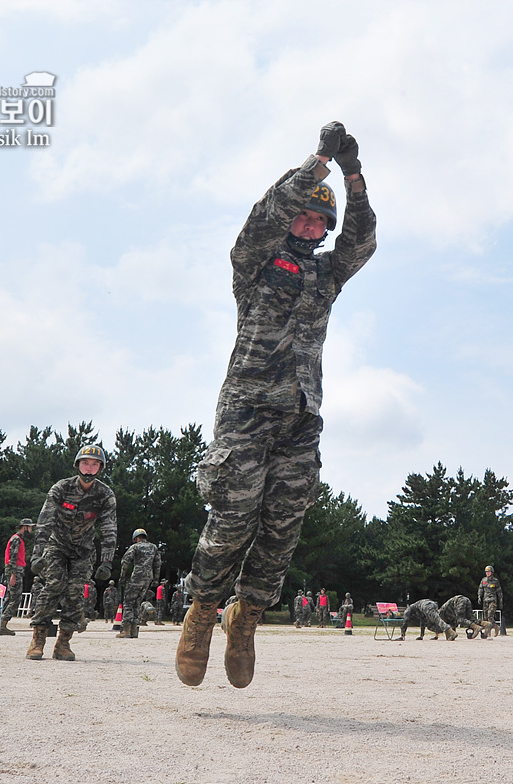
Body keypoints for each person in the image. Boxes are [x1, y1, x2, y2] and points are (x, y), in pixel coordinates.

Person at [176, 121, 376, 689]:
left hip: (301, 415)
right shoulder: (255, 261)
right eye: (305, 216)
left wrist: (354, 177)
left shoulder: (325, 273)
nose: (312, 225)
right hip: (247, 408)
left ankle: (246, 619)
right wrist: (318, 162)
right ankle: (201, 613)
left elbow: (360, 242)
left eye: (321, 219)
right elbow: (264, 214)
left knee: (281, 530)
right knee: (232, 520)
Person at [25, 444, 117, 662]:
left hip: (83, 550)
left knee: (75, 593)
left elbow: (109, 528)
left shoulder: (105, 495)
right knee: (54, 585)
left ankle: (63, 643)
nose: (89, 467)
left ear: (100, 468)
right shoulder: (61, 488)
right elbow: (45, 520)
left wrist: (107, 561)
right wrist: (37, 555)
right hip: (57, 545)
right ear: (78, 464)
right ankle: (38, 640)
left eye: (94, 464)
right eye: (85, 462)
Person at [118, 528, 161, 638]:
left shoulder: (135, 547)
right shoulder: (154, 547)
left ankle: (125, 630)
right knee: (137, 603)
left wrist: (122, 577)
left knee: (128, 602)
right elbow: (157, 564)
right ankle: (134, 630)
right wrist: (156, 579)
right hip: (148, 578)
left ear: (136, 538)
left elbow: (125, 562)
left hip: (137, 576)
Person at [0, 519, 34, 635]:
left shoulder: (17, 539)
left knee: (10, 598)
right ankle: (3, 624)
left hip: (16, 570)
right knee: (15, 599)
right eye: (30, 527)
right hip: (15, 571)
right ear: (24, 527)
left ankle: (1, 625)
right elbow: (12, 558)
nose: (31, 530)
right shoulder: (17, 539)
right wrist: (13, 575)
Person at [478, 565, 504, 638]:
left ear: (492, 572)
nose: (487, 573)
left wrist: (500, 601)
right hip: (485, 600)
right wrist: (479, 597)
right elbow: (480, 589)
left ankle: (489, 633)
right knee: (485, 618)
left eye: (489, 572)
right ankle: (494, 628)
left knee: (490, 616)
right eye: (486, 572)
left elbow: (499, 592)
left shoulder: (495, 581)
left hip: (493, 600)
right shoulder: (483, 580)